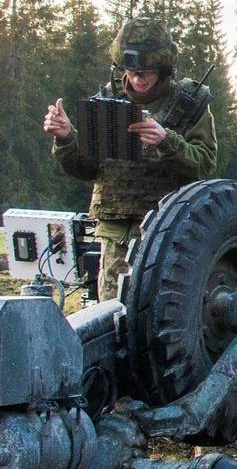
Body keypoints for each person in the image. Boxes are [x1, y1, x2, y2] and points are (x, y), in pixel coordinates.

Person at [43, 17, 217, 301]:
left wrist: (167, 141)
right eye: (131, 70)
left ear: (163, 67)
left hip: (169, 230)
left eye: (145, 71)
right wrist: (66, 137)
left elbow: (205, 163)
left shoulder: (189, 103)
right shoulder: (107, 101)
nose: (137, 78)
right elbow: (87, 168)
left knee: (167, 312)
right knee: (113, 317)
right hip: (118, 233)